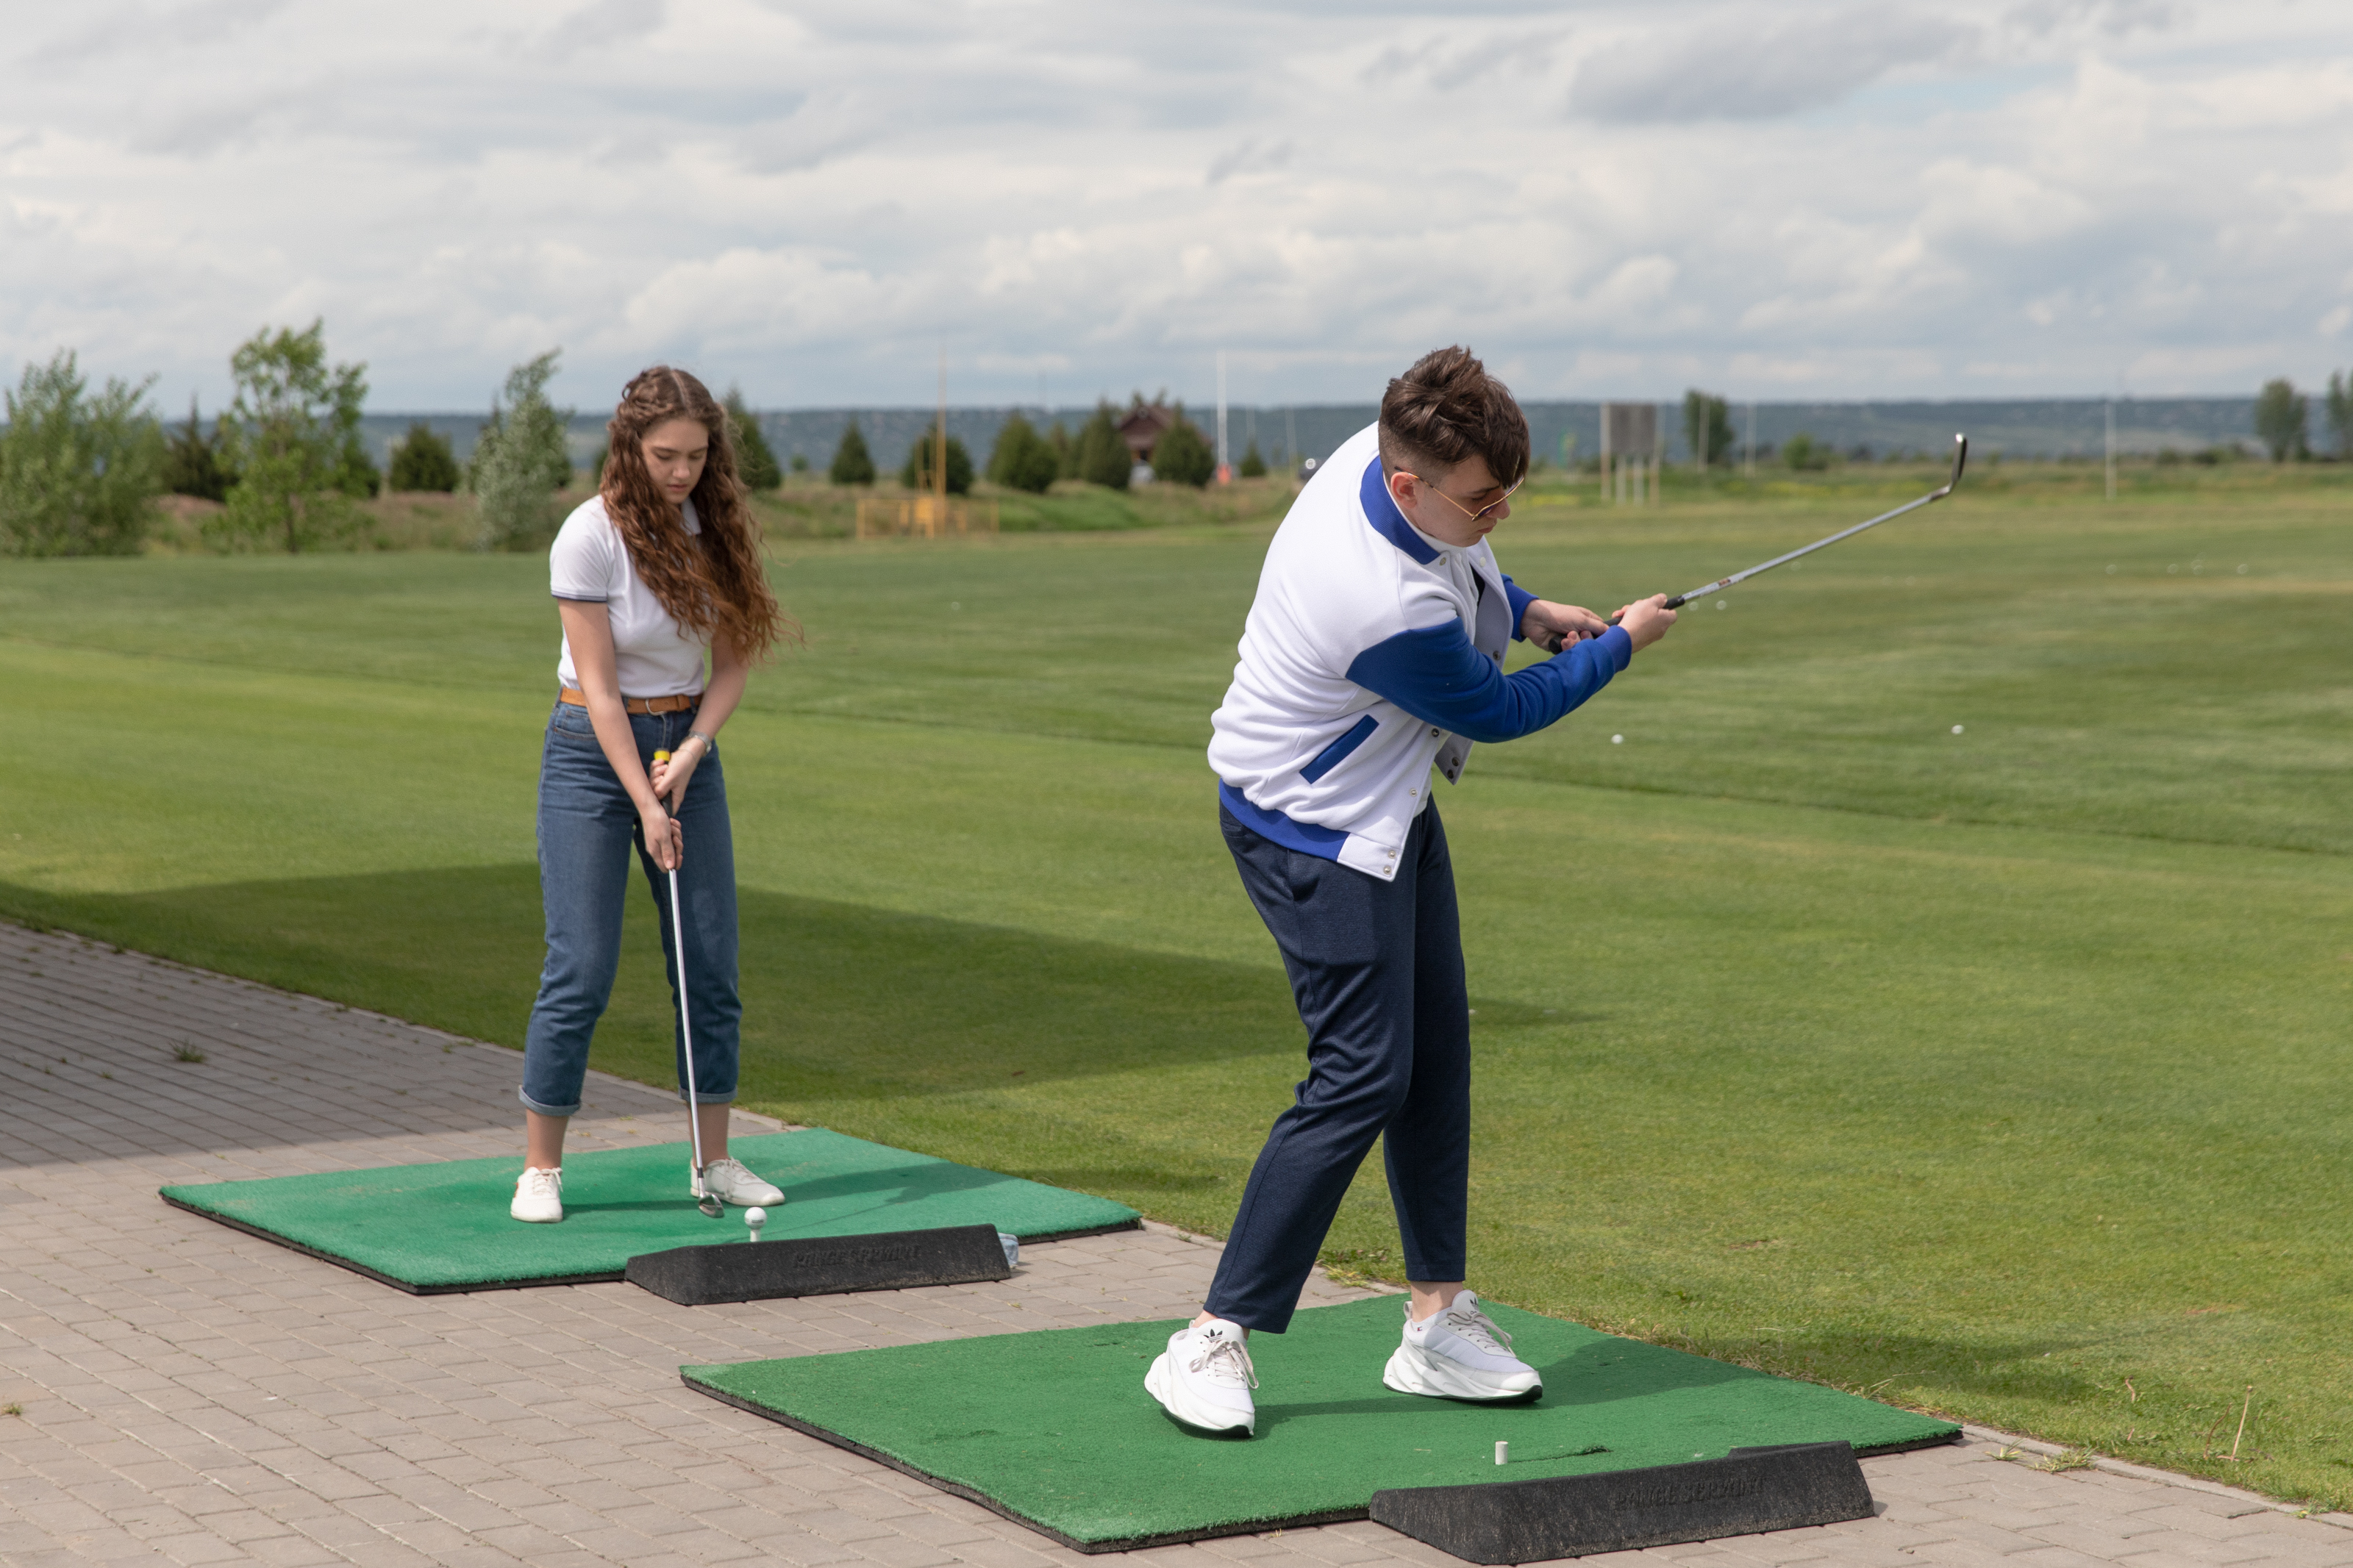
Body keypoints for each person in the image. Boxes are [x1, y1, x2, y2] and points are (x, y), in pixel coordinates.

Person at [1146, 347, 1678, 1435]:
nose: (1499, 515)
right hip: (1307, 831)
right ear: (1407, 483)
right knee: (1360, 1074)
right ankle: (1208, 1336)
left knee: (1435, 1058)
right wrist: (1618, 646)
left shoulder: (1380, 455)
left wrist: (1526, 607)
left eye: (1508, 493)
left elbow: (1463, 571)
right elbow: (1500, 710)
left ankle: (1436, 1321)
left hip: (1384, 808)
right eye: (1484, 500)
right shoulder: (1374, 603)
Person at [510, 367, 794, 1223]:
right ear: (628, 445)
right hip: (591, 754)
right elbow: (600, 691)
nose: (682, 472)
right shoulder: (587, 536)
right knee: (581, 966)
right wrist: (644, 801)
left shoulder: (715, 528)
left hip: (686, 747)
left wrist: (694, 752)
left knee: (708, 966)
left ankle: (713, 1161)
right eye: (666, 455)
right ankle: (540, 1169)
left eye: (697, 456)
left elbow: (732, 664)